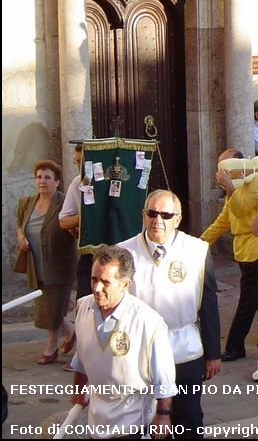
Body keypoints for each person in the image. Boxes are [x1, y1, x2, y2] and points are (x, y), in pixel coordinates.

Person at [118, 190, 221, 439]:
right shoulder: (124, 252)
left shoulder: (197, 250)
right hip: (140, 353)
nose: (158, 220)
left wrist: (213, 354)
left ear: (178, 218)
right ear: (144, 215)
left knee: (188, 419)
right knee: (143, 423)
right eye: (152, 213)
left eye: (166, 214)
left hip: (184, 349)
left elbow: (208, 303)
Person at [70, 246, 177, 438]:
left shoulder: (148, 322)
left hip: (133, 422)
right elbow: (82, 357)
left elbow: (164, 377)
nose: (97, 288)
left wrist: (163, 415)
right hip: (97, 421)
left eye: (105, 282)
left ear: (125, 284)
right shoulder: (83, 307)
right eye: (94, 279)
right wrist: (78, 390)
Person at [200, 149, 258, 362]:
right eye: (221, 168)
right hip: (243, 250)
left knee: (248, 300)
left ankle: (235, 346)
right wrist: (197, 244)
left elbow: (241, 209)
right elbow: (223, 221)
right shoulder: (234, 190)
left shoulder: (256, 182)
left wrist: (229, 189)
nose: (223, 173)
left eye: (227, 168)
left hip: (257, 248)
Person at [15, 160, 77, 365]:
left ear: (57, 182)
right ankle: (72, 331)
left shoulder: (64, 202)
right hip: (36, 264)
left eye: (48, 177)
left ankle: (51, 349)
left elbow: (73, 226)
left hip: (59, 264)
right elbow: (19, 225)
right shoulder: (27, 203)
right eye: (39, 177)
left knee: (54, 308)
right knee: (49, 306)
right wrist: (21, 238)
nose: (42, 181)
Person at [59, 143, 94, 303]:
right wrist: (85, 217)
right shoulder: (77, 183)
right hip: (89, 252)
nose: (79, 165)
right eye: (76, 161)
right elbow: (64, 221)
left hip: (118, 250)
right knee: (84, 302)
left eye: (82, 161)